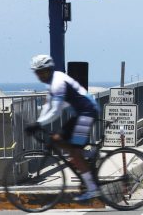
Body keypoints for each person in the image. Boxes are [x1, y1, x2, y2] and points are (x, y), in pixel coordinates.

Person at [26, 55, 101, 201]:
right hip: (79, 113)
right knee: (58, 139)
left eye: (43, 72)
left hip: (87, 112)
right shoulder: (52, 81)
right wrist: (38, 121)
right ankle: (86, 160)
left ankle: (92, 188)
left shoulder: (58, 82)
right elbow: (48, 106)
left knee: (74, 152)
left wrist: (38, 124)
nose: (40, 75)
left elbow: (55, 110)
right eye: (37, 72)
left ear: (49, 70)